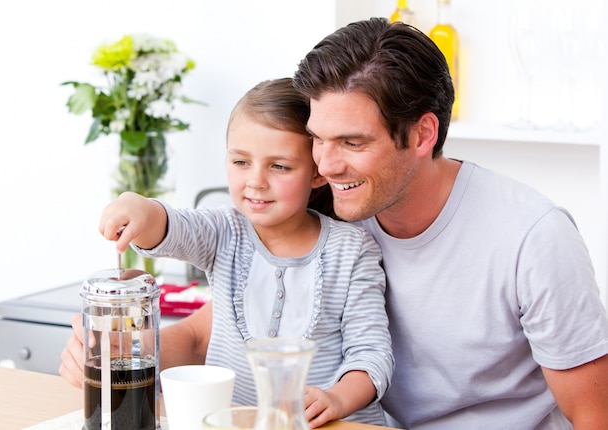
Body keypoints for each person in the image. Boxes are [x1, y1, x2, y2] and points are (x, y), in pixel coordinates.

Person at [61, 19, 608, 429]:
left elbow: (594, 417)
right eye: (318, 140)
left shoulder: (533, 239)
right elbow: (217, 328)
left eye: (352, 142)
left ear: (421, 135)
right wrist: (123, 347)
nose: (324, 164)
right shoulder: (318, 209)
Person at [62, 77, 394, 428]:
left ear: (317, 172)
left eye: (279, 166)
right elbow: (173, 226)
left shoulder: (353, 250)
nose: (255, 181)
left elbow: (370, 354)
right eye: (240, 162)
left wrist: (337, 398)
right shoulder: (224, 232)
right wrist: (139, 207)